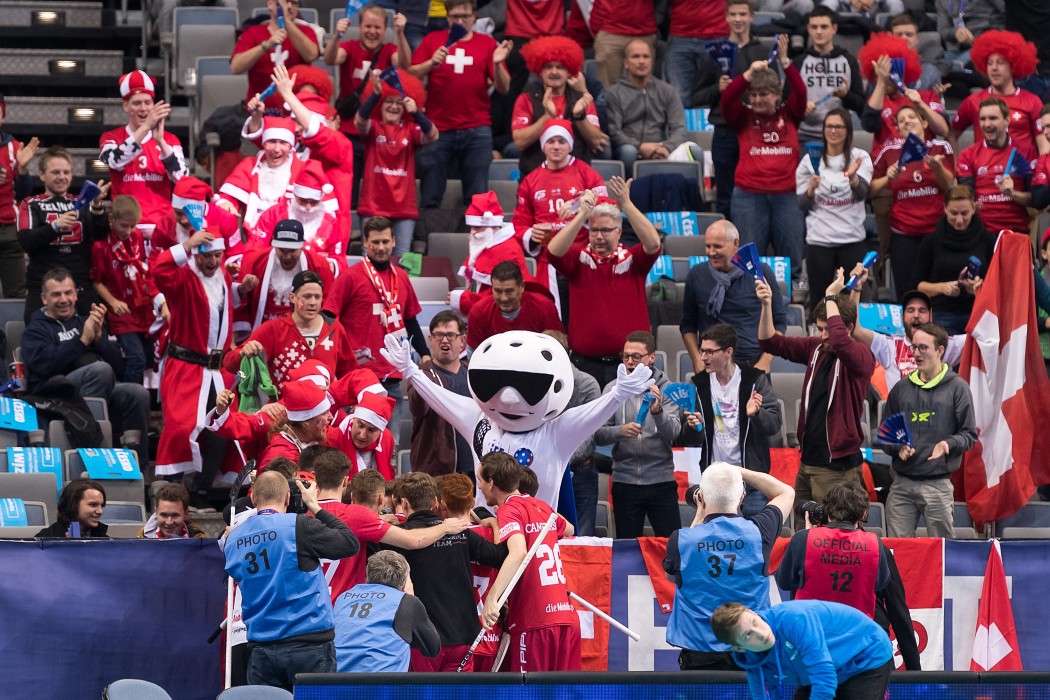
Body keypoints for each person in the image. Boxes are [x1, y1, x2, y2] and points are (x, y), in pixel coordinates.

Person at [223, 471, 359, 690]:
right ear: (288, 498)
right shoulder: (298, 525)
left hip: (262, 648)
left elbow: (236, 572)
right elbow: (349, 542)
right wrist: (315, 506)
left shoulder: (234, 538)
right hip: (309, 645)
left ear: (255, 499)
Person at [758, 270, 875, 509]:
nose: (823, 335)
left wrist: (831, 296)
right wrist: (766, 305)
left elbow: (841, 341)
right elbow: (770, 341)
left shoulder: (861, 355)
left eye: (827, 329)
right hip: (808, 461)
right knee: (805, 531)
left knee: (831, 536)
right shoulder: (816, 348)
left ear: (848, 328)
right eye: (819, 329)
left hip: (837, 469)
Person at [664, 463, 794, 670]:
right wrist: (737, 471)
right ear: (742, 497)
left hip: (700, 649)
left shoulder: (681, 539)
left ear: (702, 498)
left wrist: (699, 514)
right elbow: (786, 491)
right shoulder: (760, 532)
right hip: (749, 644)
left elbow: (673, 578)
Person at [21, 267, 151, 470]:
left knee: (137, 393)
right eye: (56, 294)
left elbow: (118, 367)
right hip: (54, 394)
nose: (63, 299)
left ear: (76, 294)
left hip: (94, 386)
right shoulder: (35, 330)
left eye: (68, 293)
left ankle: (138, 467)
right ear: (44, 299)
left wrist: (99, 339)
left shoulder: (87, 321)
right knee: (100, 370)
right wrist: (82, 341)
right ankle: (93, 454)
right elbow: (44, 367)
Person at [384, 472, 507, 671]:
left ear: (404, 503)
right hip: (463, 636)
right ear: (435, 501)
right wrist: (492, 521)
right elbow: (501, 556)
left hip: (423, 640)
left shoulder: (397, 538)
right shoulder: (460, 532)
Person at [547, 176, 661, 388]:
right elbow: (553, 251)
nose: (599, 236)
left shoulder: (633, 260)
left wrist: (626, 204)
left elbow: (653, 243)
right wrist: (582, 214)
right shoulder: (578, 260)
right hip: (585, 365)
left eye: (606, 230)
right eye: (594, 230)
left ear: (619, 232)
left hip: (630, 364)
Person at [322, 216, 429, 444]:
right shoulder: (350, 277)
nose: (380, 248)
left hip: (392, 376)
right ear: (366, 243)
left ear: (393, 241)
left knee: (389, 444)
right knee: (357, 442)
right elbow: (327, 318)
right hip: (359, 377)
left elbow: (410, 320)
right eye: (375, 242)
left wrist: (426, 353)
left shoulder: (401, 277)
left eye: (384, 242)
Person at [478, 451, 580, 672]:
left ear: (492, 482)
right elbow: (570, 529)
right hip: (566, 618)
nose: (479, 487)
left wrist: (492, 599)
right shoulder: (542, 506)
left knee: (529, 694)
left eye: (480, 481)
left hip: (535, 621)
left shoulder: (509, 509)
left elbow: (518, 553)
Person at [407, 0, 513, 209]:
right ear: (447, 18)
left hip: (477, 129)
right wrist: (430, 63)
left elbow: (504, 88)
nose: (460, 21)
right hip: (437, 129)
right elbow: (410, 77)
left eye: (465, 16)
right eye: (454, 17)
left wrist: (498, 63)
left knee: (477, 199)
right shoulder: (433, 40)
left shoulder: (487, 43)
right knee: (430, 195)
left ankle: (475, 241)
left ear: (474, 17)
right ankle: (428, 238)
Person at [152, 230, 235, 486]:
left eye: (216, 256)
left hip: (217, 372)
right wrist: (186, 245)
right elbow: (159, 272)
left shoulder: (224, 278)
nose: (211, 262)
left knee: (222, 429)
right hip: (185, 369)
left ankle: (200, 490)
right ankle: (170, 488)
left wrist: (244, 289)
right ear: (195, 256)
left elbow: (218, 314)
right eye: (205, 256)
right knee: (179, 428)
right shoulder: (184, 278)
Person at [721, 39, 806, 282]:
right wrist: (747, 75)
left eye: (764, 94)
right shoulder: (743, 117)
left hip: (787, 195)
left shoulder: (790, 114)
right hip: (749, 196)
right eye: (754, 94)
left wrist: (785, 62)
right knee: (747, 261)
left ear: (778, 94)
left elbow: (800, 92)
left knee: (792, 260)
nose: (757, 99)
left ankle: (794, 306)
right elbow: (727, 100)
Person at [883, 323, 977, 538]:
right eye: (913, 347)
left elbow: (969, 434)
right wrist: (897, 448)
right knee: (899, 552)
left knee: (941, 552)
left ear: (940, 350)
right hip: (901, 484)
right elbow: (885, 433)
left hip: (938, 485)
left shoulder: (957, 387)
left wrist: (948, 445)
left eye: (923, 348)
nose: (916, 354)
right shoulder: (901, 388)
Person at [684, 324, 782, 517]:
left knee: (755, 540)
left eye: (709, 352)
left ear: (728, 352)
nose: (703, 357)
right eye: (702, 351)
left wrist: (756, 414)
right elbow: (689, 439)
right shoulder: (698, 385)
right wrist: (694, 427)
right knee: (718, 543)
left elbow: (774, 424)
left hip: (751, 482)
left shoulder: (755, 380)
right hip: (715, 482)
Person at [710, 600, 893, 700]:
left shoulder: (795, 619)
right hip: (825, 670)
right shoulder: (751, 660)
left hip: (866, 655)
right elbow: (761, 695)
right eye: (748, 635)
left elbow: (825, 681)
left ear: (753, 613)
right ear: (739, 647)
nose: (761, 633)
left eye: (755, 622)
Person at [595, 331, 682, 538]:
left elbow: (674, 432)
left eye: (636, 356)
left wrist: (658, 412)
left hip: (661, 481)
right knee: (626, 547)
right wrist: (620, 431)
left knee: (671, 546)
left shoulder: (668, 390)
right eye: (626, 356)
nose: (630, 361)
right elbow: (597, 435)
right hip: (625, 481)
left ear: (652, 357)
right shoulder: (612, 389)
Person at [512, 119, 607, 304]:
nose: (556, 147)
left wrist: (579, 205)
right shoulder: (530, 181)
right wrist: (531, 234)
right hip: (548, 263)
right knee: (552, 317)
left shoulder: (586, 173)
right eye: (551, 141)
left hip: (585, 257)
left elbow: (607, 206)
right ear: (543, 145)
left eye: (562, 141)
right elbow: (519, 222)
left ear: (570, 145)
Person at [681, 213, 785, 376]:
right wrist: (697, 361)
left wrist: (765, 361)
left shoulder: (760, 272)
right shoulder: (697, 274)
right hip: (711, 367)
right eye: (708, 246)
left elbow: (779, 322)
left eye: (717, 246)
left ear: (735, 244)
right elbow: (688, 325)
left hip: (753, 365)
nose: (711, 252)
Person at [691, 0, 768, 220]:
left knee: (757, 192)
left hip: (756, 132)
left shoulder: (762, 52)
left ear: (752, 16)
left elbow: (775, 92)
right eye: (733, 14)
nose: (738, 19)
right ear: (725, 17)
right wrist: (718, 88)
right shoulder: (713, 54)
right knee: (726, 194)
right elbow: (696, 98)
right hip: (724, 132)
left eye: (742, 14)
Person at [869, 103, 955, 297]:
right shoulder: (888, 152)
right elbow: (870, 191)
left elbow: (948, 184)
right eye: (901, 121)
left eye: (912, 117)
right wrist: (887, 179)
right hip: (903, 235)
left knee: (939, 291)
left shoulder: (941, 147)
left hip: (937, 232)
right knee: (907, 293)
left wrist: (937, 168)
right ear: (897, 129)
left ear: (924, 122)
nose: (907, 121)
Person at [17, 146, 110, 323]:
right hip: (43, 288)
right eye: (55, 172)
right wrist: (55, 227)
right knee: (39, 341)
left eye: (66, 172)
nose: (62, 177)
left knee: (98, 340)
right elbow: (26, 242)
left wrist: (98, 206)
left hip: (81, 287)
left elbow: (100, 236)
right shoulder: (30, 204)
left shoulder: (83, 202)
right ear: (42, 175)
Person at [225, 269, 356, 390]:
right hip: (284, 411)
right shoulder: (274, 329)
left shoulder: (334, 329)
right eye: (307, 296)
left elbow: (349, 372)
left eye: (317, 297)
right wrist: (242, 353)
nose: (312, 302)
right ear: (292, 298)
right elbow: (230, 364)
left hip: (325, 412)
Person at [354, 67, 438, 256]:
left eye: (399, 103)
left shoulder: (410, 129)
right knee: (370, 259)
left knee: (401, 262)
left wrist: (416, 113)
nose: (393, 106)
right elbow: (360, 121)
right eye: (388, 101)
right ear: (380, 105)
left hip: (403, 208)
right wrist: (375, 96)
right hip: (372, 206)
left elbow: (432, 135)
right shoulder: (374, 128)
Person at [795, 108, 874, 309]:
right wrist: (811, 189)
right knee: (819, 301)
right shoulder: (809, 160)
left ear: (848, 130)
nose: (833, 131)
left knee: (854, 300)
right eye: (829, 126)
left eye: (838, 126)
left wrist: (853, 178)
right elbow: (801, 205)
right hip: (819, 241)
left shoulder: (860, 157)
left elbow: (862, 195)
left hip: (852, 240)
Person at [776, 481, 891, 618]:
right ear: (864, 514)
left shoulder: (803, 539)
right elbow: (880, 583)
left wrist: (808, 539)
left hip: (810, 626)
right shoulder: (874, 543)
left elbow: (784, 581)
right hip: (855, 628)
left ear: (827, 509)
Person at [98, 71, 187, 229]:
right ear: (126, 105)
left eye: (147, 102)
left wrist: (160, 141)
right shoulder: (110, 137)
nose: (143, 108)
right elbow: (114, 161)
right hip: (126, 227)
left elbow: (181, 179)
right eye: (137, 103)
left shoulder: (170, 139)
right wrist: (146, 127)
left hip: (161, 227)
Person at [333, 550, 440, 672]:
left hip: (337, 679)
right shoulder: (406, 602)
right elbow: (432, 649)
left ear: (368, 575)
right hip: (382, 684)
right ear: (404, 581)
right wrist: (411, 596)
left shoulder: (344, 597)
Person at [512, 36, 604, 176]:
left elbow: (596, 141)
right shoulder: (526, 99)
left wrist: (579, 117)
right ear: (540, 71)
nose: (554, 72)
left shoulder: (582, 99)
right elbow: (519, 141)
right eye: (548, 67)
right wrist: (547, 117)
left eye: (560, 67)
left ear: (569, 72)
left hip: (576, 178)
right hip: (535, 177)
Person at [910, 186, 996, 335]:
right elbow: (916, 287)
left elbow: (999, 284)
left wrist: (978, 289)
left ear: (974, 208)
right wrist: (942, 288)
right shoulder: (931, 241)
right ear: (944, 208)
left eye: (965, 213)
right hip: (942, 313)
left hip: (979, 313)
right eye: (953, 213)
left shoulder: (988, 240)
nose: (959, 220)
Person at [606, 39, 698, 175]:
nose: (641, 61)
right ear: (625, 63)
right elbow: (614, 131)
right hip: (631, 148)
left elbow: (679, 128)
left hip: (662, 148)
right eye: (636, 56)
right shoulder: (614, 93)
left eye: (646, 56)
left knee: (694, 150)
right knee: (628, 151)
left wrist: (666, 147)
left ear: (652, 61)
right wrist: (640, 146)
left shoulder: (668, 90)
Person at [232, 219, 335, 338]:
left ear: (302, 246)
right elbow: (240, 307)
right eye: (281, 250)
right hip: (262, 333)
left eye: (292, 251)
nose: (286, 257)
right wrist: (243, 288)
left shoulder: (320, 266)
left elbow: (328, 304)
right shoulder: (254, 262)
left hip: (303, 335)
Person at [90, 196, 154, 385]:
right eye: (124, 225)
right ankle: (129, 401)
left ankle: (123, 387)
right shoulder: (101, 247)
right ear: (112, 219)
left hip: (141, 307)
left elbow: (141, 268)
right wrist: (114, 302)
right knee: (137, 358)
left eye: (133, 226)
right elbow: (96, 281)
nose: (129, 231)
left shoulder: (138, 237)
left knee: (150, 357)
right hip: (120, 312)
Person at [850, 286, 966, 390]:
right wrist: (856, 288)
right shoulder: (889, 345)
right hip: (900, 412)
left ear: (931, 316)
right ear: (902, 317)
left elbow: (980, 333)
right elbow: (855, 329)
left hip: (934, 411)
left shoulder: (944, 344)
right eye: (911, 310)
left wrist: (977, 291)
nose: (916, 315)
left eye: (922, 311)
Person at [858, 35, 948, 158]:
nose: (885, 76)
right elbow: (868, 125)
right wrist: (881, 82)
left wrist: (920, 104)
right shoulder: (877, 101)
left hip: (922, 162)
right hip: (886, 166)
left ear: (901, 69)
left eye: (889, 72)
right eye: (879, 73)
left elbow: (943, 131)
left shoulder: (926, 96)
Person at [955, 97, 1035, 235]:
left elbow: (1034, 202)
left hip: (1016, 232)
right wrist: (971, 204)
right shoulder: (968, 155)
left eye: (993, 118)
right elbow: (965, 196)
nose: (987, 124)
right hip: (980, 233)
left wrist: (1012, 193)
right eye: (982, 119)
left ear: (1007, 121)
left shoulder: (1026, 152)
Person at [409, 311, 474, 477]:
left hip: (474, 470)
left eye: (451, 335)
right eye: (439, 335)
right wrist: (411, 373)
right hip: (436, 472)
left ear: (462, 341)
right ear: (430, 340)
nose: (444, 340)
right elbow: (417, 406)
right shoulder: (422, 375)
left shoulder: (473, 374)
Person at [217, 115, 309, 231]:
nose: (276, 149)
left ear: (290, 146)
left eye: (282, 143)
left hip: (293, 238)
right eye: (271, 141)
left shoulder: (303, 169)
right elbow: (228, 197)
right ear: (264, 144)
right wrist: (226, 203)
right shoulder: (250, 166)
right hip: (254, 238)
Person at [791, 7, 867, 144]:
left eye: (824, 27)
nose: (819, 32)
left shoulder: (849, 61)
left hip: (839, 137)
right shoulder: (798, 62)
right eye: (814, 27)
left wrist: (846, 95)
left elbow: (861, 104)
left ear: (834, 29)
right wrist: (800, 107)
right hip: (804, 137)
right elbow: (786, 103)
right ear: (808, 29)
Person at [230, 0, 320, 111]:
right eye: (286, 2)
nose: (290, 6)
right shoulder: (253, 32)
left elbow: (311, 55)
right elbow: (236, 67)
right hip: (259, 110)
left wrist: (285, 20)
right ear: (270, 4)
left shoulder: (306, 31)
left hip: (296, 111)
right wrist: (267, 45)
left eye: (294, 3)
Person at [451, 193, 531, 318]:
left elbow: (497, 296)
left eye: (478, 227)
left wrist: (462, 300)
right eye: (471, 227)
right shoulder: (484, 244)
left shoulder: (506, 250)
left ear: (493, 226)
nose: (473, 232)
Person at [251, 160, 344, 263]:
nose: (308, 207)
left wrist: (332, 266)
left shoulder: (331, 224)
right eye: (303, 201)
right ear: (295, 196)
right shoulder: (273, 215)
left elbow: (339, 259)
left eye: (313, 202)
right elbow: (255, 251)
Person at [465, 261, 563, 352]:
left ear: (522, 287)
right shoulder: (479, 312)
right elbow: (474, 355)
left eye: (509, 291)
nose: (503, 298)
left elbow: (558, 350)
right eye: (498, 291)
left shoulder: (544, 307)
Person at [0, 95, 38, 299]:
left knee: (16, 295)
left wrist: (23, 169)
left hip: (8, 230)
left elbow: (24, 194)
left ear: (2, 117)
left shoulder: (14, 148)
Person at [35, 478, 108, 538]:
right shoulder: (45, 540)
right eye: (93, 504)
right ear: (72, 504)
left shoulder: (106, 542)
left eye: (102, 506)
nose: (100, 511)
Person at [889, 13, 943, 92]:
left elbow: (936, 102)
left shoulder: (930, 71)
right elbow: (869, 103)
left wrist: (937, 97)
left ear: (917, 38)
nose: (904, 38)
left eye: (909, 34)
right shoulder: (882, 69)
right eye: (899, 35)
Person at [138, 482, 206, 538]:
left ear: (186, 514)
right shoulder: (141, 540)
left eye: (175, 515)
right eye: (164, 515)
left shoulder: (199, 540)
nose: (169, 522)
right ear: (156, 512)